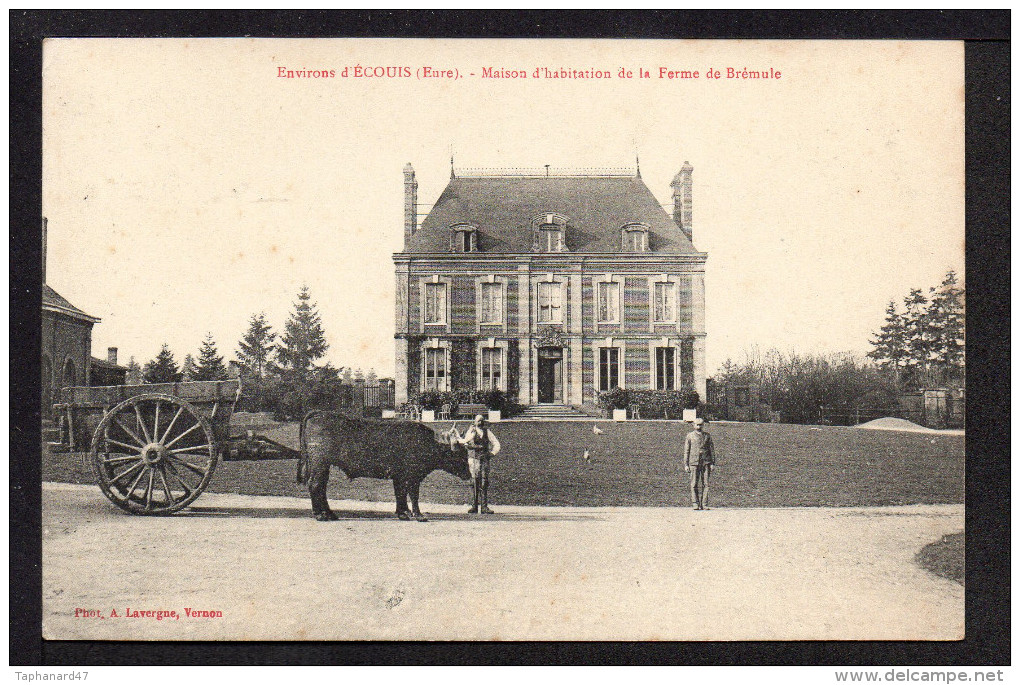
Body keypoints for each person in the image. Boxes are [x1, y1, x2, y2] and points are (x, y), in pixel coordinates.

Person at [459, 414, 501, 514]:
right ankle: (474, 506)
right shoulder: (471, 431)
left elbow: (496, 444)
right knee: (474, 481)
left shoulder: (487, 432)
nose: (480, 423)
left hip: (484, 459)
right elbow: (465, 442)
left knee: (484, 482)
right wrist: (470, 447)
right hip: (473, 459)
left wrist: (492, 453)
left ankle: (484, 507)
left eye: (482, 420)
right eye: (478, 421)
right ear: (474, 422)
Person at [683, 417, 716, 510]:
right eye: (697, 425)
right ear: (693, 425)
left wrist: (712, 463)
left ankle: (704, 504)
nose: (699, 426)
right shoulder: (690, 436)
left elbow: (711, 450)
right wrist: (686, 464)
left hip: (706, 462)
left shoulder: (707, 436)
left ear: (703, 425)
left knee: (706, 484)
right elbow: (686, 451)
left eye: (701, 425)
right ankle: (695, 503)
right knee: (694, 484)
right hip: (694, 462)